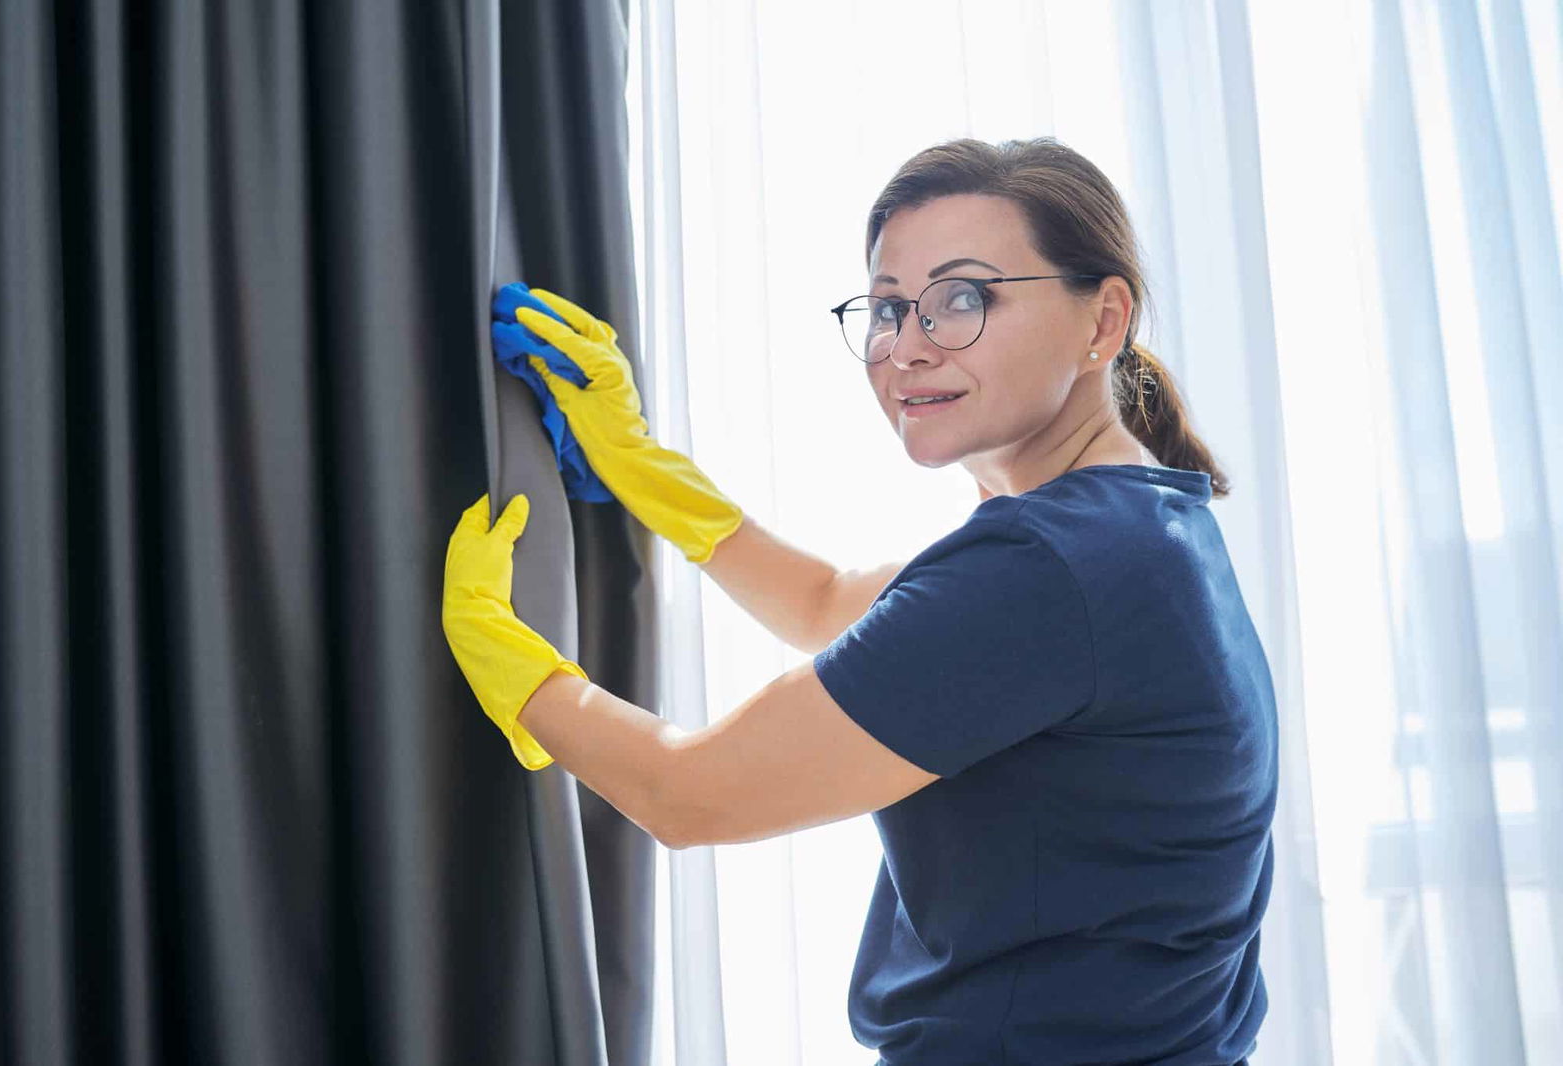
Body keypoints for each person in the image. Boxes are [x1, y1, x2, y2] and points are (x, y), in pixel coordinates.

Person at [441, 136, 1274, 1066]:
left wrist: (497, 652)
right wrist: (645, 470)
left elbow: (692, 797)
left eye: (964, 298)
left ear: (1102, 321)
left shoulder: (1053, 565)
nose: (906, 348)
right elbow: (831, 602)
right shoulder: (1140, 525)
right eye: (887, 309)